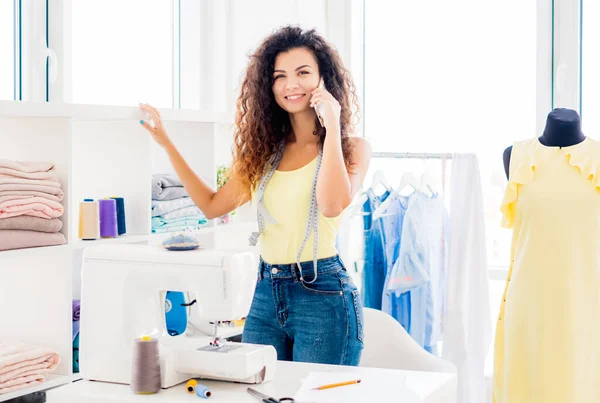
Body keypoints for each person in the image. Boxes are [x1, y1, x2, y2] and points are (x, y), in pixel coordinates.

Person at [139, 25, 371, 365]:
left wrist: (332, 124)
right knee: (256, 390)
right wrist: (167, 145)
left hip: (324, 294)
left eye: (303, 72)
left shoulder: (352, 148)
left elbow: (332, 204)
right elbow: (212, 206)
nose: (291, 84)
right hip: (266, 293)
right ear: (269, 86)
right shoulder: (265, 153)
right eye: (280, 76)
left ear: (324, 79)